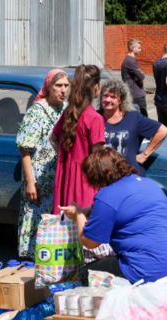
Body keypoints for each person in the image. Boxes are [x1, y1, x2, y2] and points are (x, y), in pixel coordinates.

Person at [59, 147, 167, 284]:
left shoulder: (106, 196)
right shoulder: (148, 183)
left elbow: (89, 242)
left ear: (96, 176)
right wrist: (84, 211)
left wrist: (78, 214)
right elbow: (117, 207)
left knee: (87, 274)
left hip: (151, 270)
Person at [16, 69, 70, 258]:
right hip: (39, 179)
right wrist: (31, 181)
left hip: (59, 176)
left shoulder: (66, 108)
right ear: (48, 87)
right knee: (36, 218)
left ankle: (51, 261)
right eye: (58, 86)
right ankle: (32, 259)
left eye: (66, 86)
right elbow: (25, 148)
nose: (63, 90)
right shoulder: (37, 111)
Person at [50, 64, 105, 213]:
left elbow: (53, 138)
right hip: (85, 181)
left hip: (65, 176)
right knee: (83, 229)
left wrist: (65, 157)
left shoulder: (69, 111)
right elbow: (96, 158)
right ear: (96, 86)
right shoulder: (95, 118)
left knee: (66, 229)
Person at [99, 79, 167, 176]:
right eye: (105, 96)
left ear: (121, 100)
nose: (108, 100)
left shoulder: (133, 117)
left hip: (128, 175)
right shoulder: (95, 117)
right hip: (102, 175)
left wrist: (144, 156)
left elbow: (163, 131)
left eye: (113, 97)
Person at [121, 38, 148, 117]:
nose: (140, 50)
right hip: (137, 96)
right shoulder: (131, 61)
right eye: (139, 48)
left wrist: (139, 77)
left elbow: (139, 77)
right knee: (143, 121)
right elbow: (142, 78)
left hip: (132, 94)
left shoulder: (127, 60)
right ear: (132, 48)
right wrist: (140, 77)